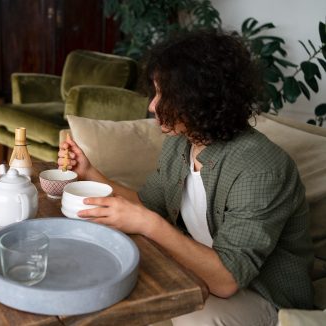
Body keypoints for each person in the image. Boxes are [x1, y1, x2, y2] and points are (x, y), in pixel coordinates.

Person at [58, 30, 314, 325]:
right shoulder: (182, 143)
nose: (152, 106)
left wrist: (148, 224)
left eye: (163, 94)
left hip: (264, 296)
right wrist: (90, 173)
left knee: (186, 313)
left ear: (199, 99)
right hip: (203, 270)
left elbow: (227, 281)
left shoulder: (261, 168)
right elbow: (146, 203)